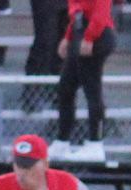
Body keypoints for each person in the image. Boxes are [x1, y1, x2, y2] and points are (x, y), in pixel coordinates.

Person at [53, 0, 113, 157]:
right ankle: (62, 141)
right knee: (65, 88)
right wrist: (68, 37)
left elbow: (101, 12)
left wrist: (90, 37)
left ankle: (95, 143)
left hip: (97, 35)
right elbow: (77, 15)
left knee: (92, 90)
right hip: (80, 33)